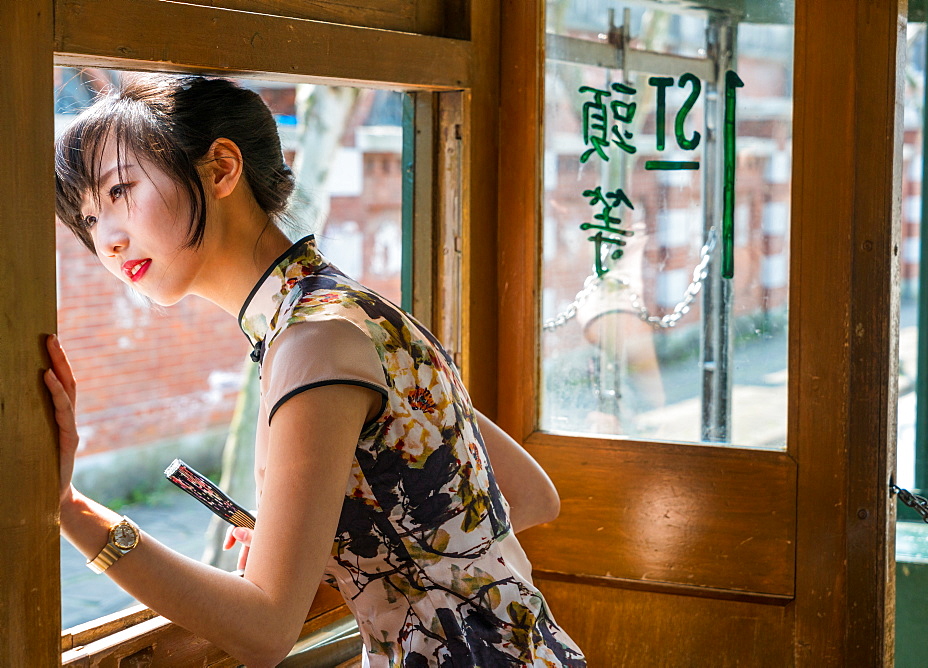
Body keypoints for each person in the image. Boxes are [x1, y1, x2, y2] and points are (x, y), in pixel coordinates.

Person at [47, 74, 587, 668]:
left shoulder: (311, 343)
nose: (109, 240)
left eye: (120, 191)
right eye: (90, 217)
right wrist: (335, 532)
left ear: (221, 168)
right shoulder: (351, 310)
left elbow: (264, 630)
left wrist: (70, 509)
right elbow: (531, 496)